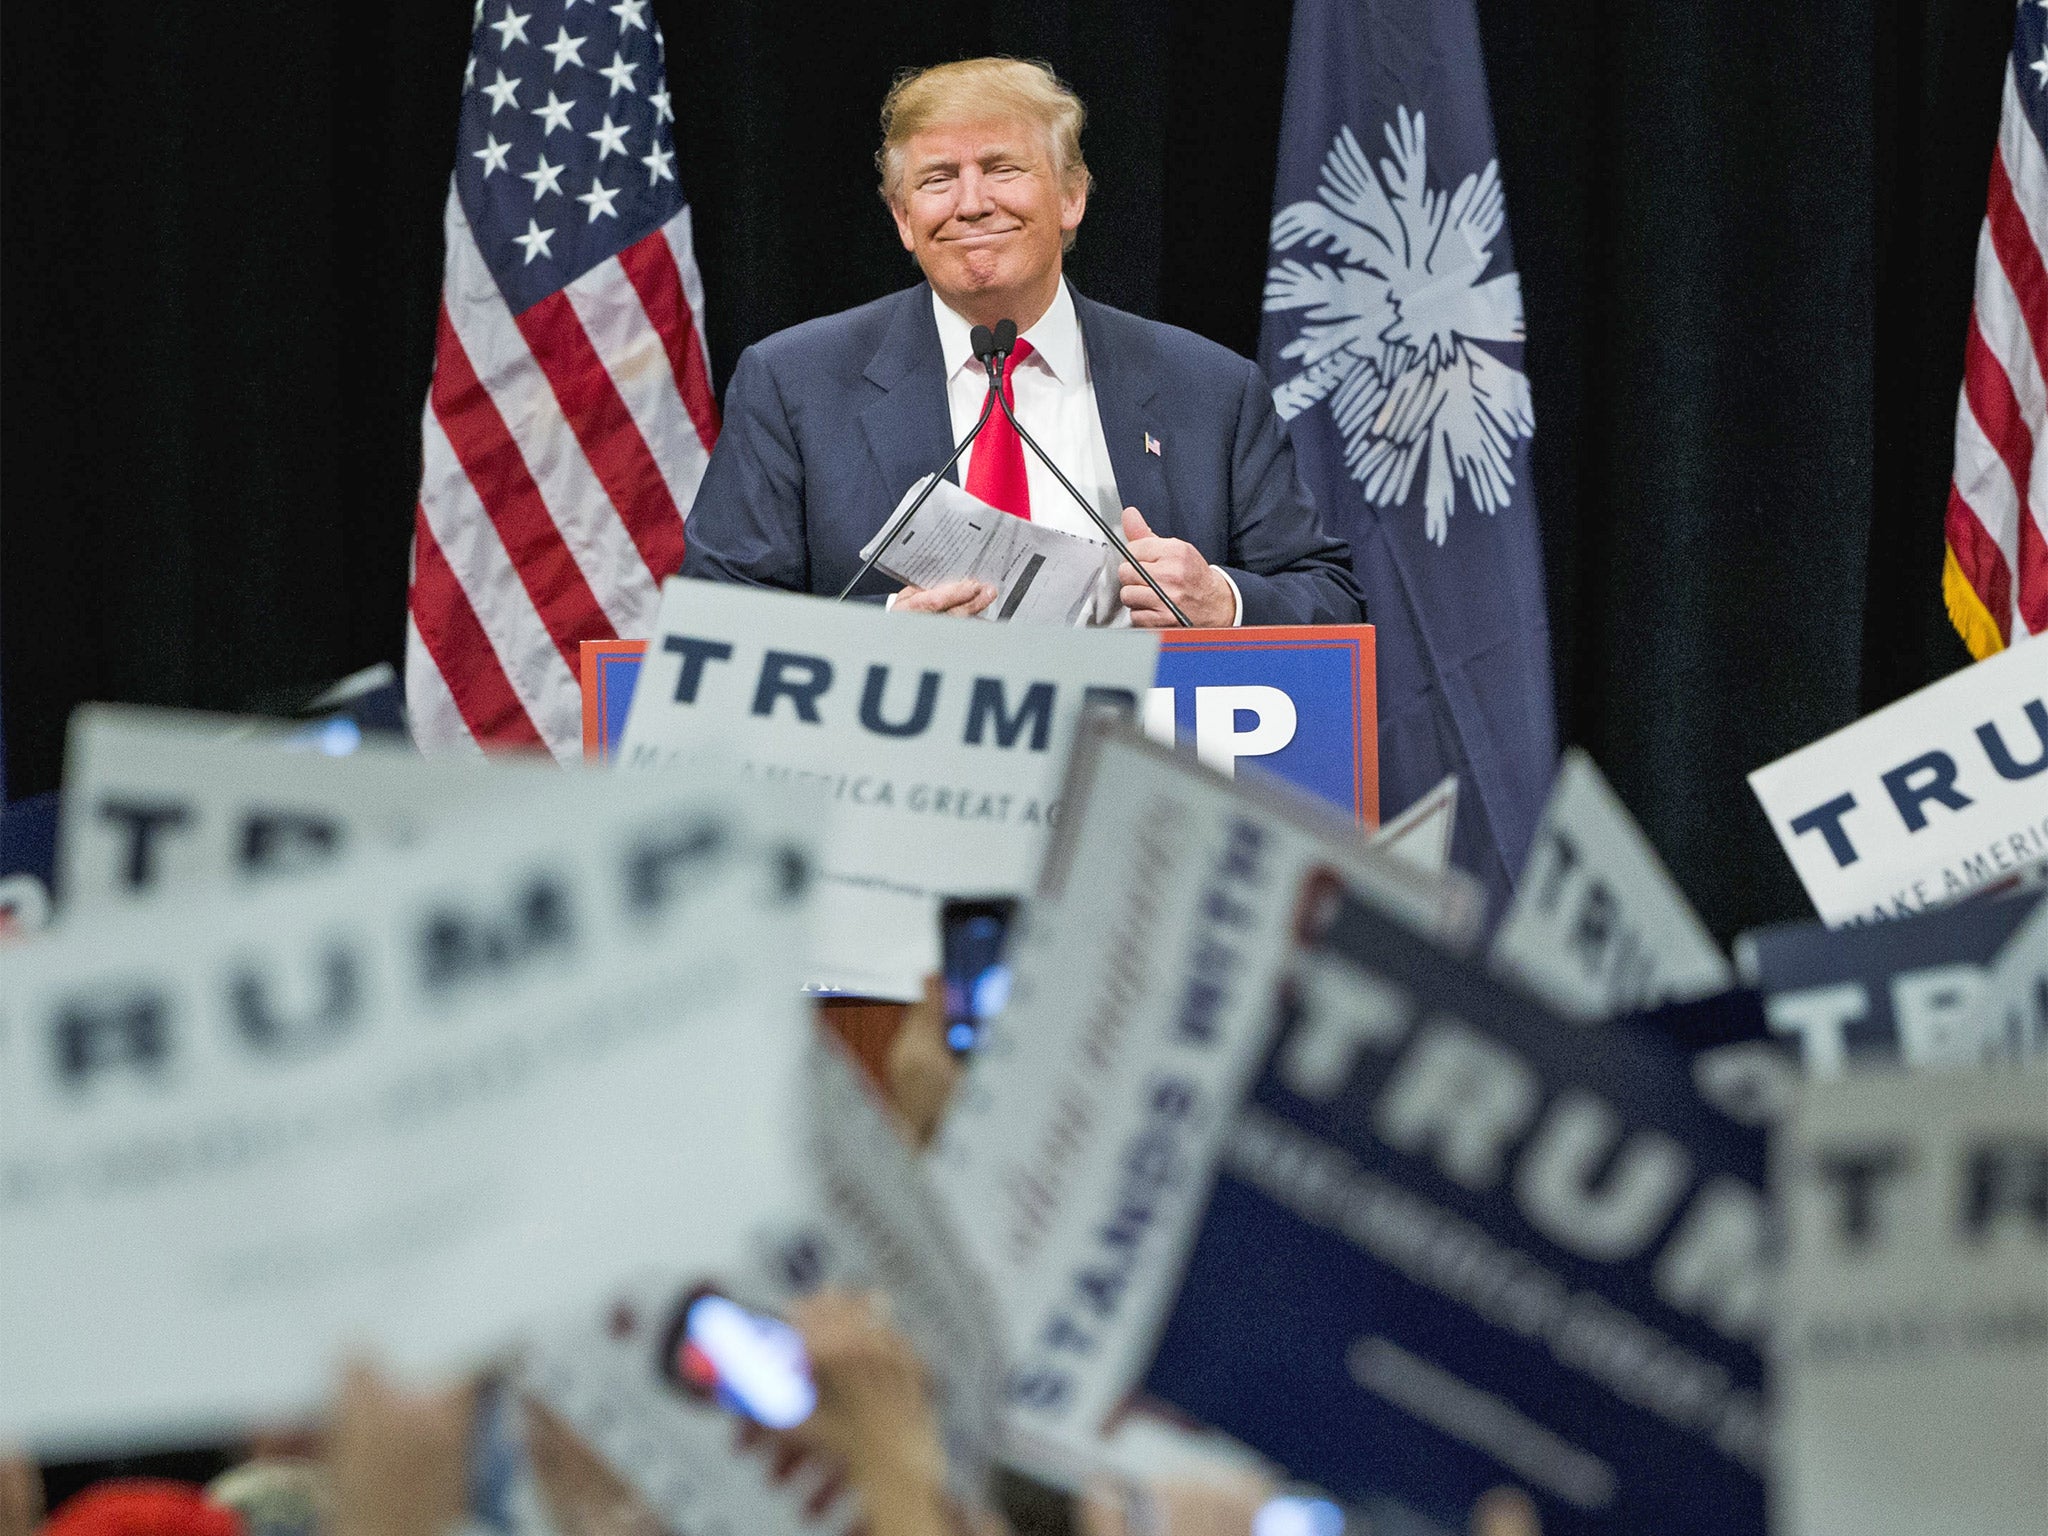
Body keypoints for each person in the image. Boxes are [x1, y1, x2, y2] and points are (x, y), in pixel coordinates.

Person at [680, 58, 1365, 630]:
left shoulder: (1209, 387)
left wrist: (1223, 601)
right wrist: (879, 635)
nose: (972, 202)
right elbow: (717, 616)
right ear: (903, 221)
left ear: (1072, 198)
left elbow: (1330, 600)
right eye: (938, 179)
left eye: (1004, 169)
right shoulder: (794, 382)